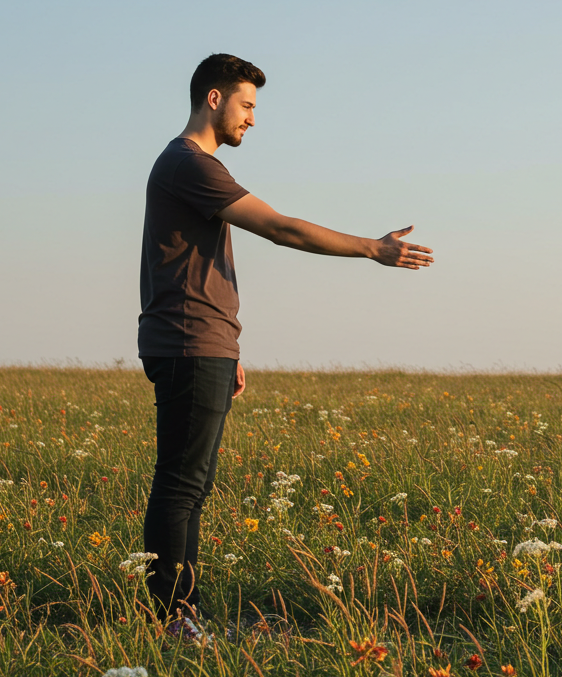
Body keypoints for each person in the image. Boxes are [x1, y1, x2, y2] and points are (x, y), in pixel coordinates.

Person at [137, 53, 433, 634]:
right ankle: (172, 621)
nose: (252, 118)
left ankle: (184, 616)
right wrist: (373, 249)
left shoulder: (190, 166)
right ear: (214, 99)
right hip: (188, 341)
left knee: (192, 486)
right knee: (180, 484)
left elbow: (196, 266)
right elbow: (279, 227)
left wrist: (229, 347)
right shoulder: (188, 164)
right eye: (246, 105)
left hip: (204, 342)